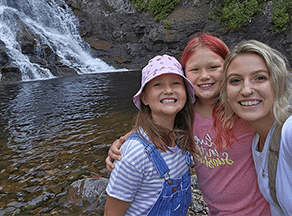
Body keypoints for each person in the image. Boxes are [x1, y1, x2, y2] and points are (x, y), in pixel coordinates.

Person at [106, 33, 271, 215]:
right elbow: (154, 126)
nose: (205, 76)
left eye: (214, 67)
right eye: (195, 70)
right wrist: (122, 142)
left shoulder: (242, 108)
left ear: (228, 69)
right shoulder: (185, 115)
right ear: (186, 76)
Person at [104, 54, 197, 216]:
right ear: (145, 98)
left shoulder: (182, 138)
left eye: (176, 83)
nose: (168, 90)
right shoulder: (135, 154)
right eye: (158, 85)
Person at [217, 39, 292, 215]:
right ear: (226, 93)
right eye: (236, 80)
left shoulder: (288, 132)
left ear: (278, 83)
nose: (246, 90)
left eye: (260, 78)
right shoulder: (257, 142)